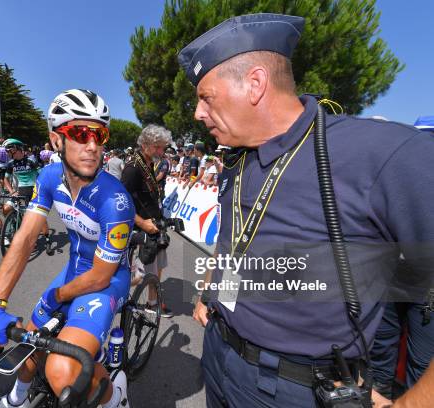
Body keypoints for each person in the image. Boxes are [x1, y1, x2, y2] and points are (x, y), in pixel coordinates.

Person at [178, 13, 434, 407]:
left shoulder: (382, 153)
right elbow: (234, 244)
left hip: (296, 389)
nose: (197, 112)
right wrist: (215, 294)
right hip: (218, 354)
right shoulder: (234, 161)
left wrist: (411, 402)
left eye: (205, 97)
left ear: (256, 84)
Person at [0, 89, 134, 408]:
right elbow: (24, 238)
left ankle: (116, 397)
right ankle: (16, 400)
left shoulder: (115, 200)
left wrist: (57, 296)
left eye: (99, 135)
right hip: (73, 272)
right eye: (79, 133)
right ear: (55, 140)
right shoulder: (48, 177)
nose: (92, 146)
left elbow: (101, 277)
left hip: (106, 282)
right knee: (31, 344)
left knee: (62, 369)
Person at [121, 124, 174, 318]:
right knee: (139, 275)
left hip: (155, 225)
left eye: (163, 147)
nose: (161, 151)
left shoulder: (149, 162)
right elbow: (122, 204)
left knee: (156, 268)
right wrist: (143, 223)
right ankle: (113, 292)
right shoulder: (132, 168)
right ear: (145, 144)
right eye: (158, 147)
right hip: (141, 228)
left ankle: (152, 301)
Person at [1, 138, 52, 251]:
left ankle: (47, 238)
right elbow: (5, 179)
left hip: (33, 191)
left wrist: (41, 191)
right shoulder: (10, 164)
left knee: (39, 218)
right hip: (19, 191)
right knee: (6, 208)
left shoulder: (31, 161)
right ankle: (14, 226)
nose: (8, 153)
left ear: (16, 149)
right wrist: (11, 191)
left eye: (9, 151)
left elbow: (42, 176)